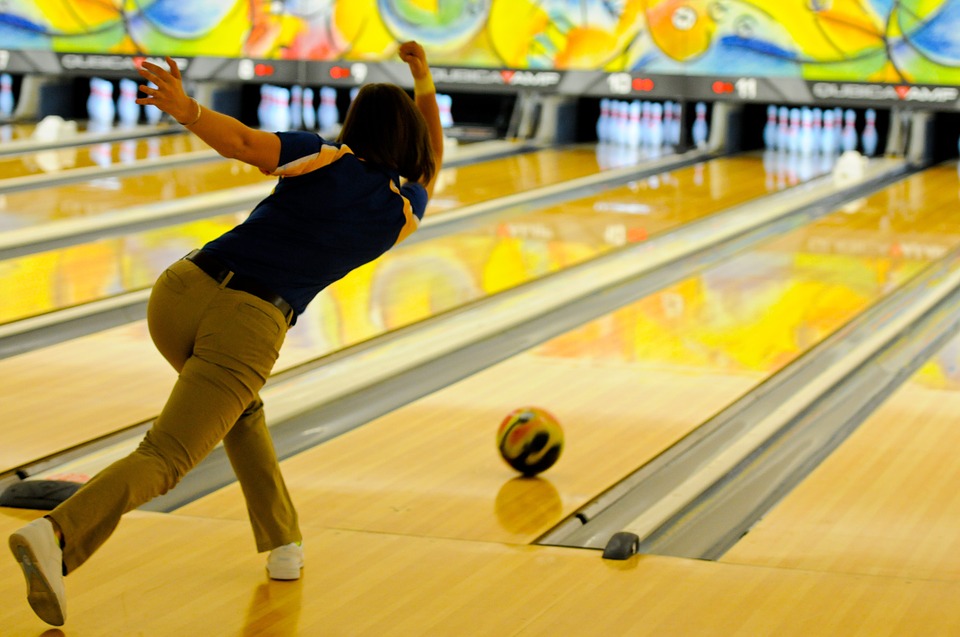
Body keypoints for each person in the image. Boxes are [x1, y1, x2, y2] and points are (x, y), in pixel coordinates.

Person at [8, 40, 443, 627]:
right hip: (248, 321)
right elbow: (433, 157)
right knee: (165, 456)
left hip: (180, 290)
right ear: (413, 142)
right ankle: (57, 537)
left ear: (354, 124)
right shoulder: (406, 207)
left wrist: (186, 109)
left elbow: (241, 143)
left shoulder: (323, 155)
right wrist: (424, 78)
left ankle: (282, 542)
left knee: (241, 411)